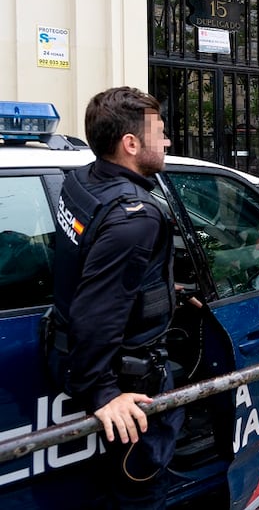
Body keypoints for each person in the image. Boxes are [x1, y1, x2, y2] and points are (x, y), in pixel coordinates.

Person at [47, 87, 182, 509]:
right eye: (159, 132)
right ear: (130, 144)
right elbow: (97, 312)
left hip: (64, 343)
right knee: (141, 487)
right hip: (125, 376)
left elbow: (91, 265)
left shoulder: (82, 180)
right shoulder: (133, 217)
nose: (167, 141)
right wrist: (104, 393)